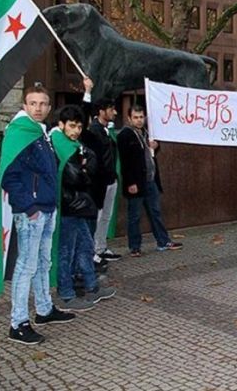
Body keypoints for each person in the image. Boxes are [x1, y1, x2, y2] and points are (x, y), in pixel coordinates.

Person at [1, 84, 76, 345]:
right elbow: (8, 177)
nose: (39, 108)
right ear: (24, 105)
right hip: (31, 211)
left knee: (44, 262)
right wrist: (29, 207)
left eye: (43, 104)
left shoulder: (40, 132)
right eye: (33, 103)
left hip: (46, 207)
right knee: (26, 266)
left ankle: (44, 309)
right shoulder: (20, 132)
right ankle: (18, 322)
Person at [50, 105, 116, 312]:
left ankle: (91, 286)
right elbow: (76, 176)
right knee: (66, 251)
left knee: (85, 247)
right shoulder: (60, 143)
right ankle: (67, 293)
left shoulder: (74, 144)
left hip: (79, 204)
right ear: (61, 125)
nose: (76, 130)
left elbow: (92, 166)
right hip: (69, 205)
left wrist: (85, 169)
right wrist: (85, 169)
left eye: (79, 126)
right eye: (72, 126)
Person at [118, 105, 183, 257]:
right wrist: (130, 183)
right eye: (136, 117)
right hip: (136, 182)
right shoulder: (125, 135)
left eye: (141, 117)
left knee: (155, 212)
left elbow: (150, 153)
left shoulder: (148, 132)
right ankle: (135, 246)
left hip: (150, 179)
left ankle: (163, 241)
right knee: (134, 215)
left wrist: (155, 146)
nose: (139, 120)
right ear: (129, 119)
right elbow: (125, 162)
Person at [80, 80, 121, 264]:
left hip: (111, 180)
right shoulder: (93, 130)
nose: (115, 112)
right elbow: (82, 116)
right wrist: (87, 92)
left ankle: (101, 247)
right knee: (97, 216)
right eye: (111, 109)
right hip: (99, 183)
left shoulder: (106, 131)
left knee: (106, 216)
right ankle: (92, 251)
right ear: (102, 111)